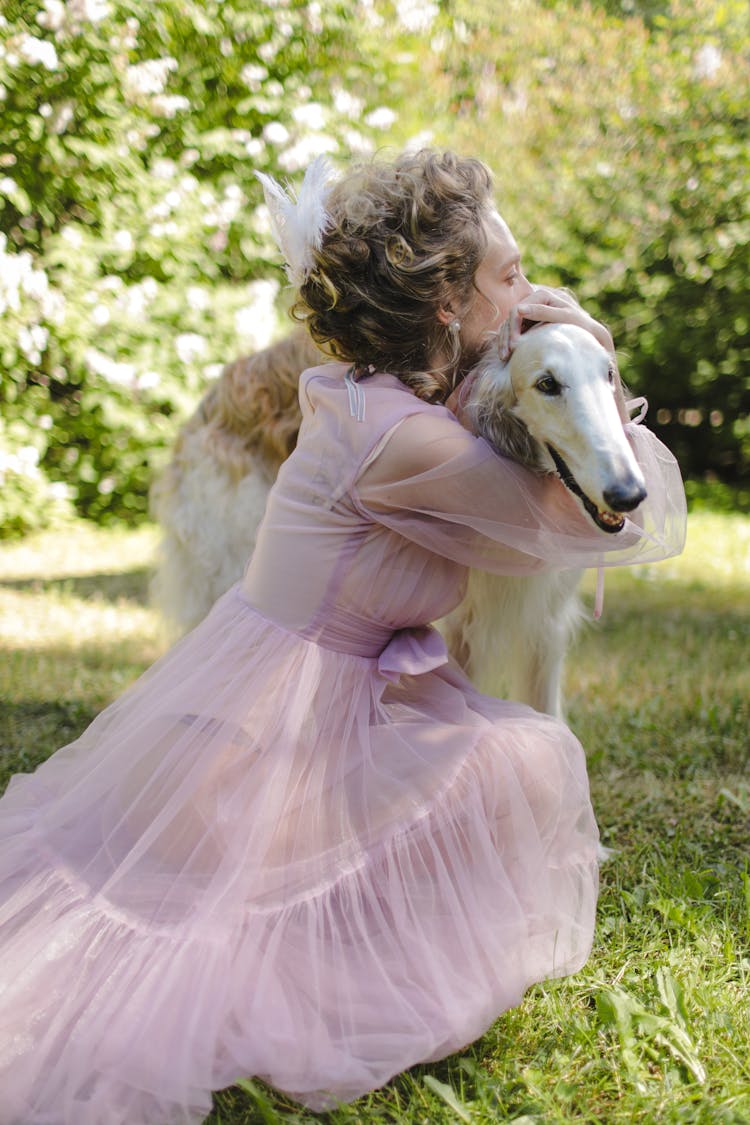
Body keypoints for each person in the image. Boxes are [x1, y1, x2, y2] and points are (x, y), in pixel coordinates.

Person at [0, 150, 685, 1125]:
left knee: (500, 758)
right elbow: (612, 515)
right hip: (290, 714)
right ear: (447, 305)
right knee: (515, 765)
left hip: (337, 682)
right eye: (512, 277)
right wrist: (595, 346)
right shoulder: (406, 440)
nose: (535, 292)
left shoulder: (377, 393)